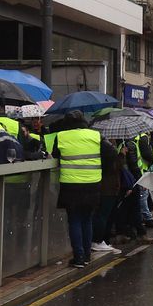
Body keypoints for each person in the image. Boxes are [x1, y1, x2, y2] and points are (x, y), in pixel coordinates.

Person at [46, 111, 102, 268]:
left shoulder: (62, 136)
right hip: (92, 183)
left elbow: (56, 155)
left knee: (75, 220)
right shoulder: (95, 135)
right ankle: (87, 255)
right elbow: (109, 153)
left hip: (71, 185)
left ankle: (79, 257)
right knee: (87, 219)